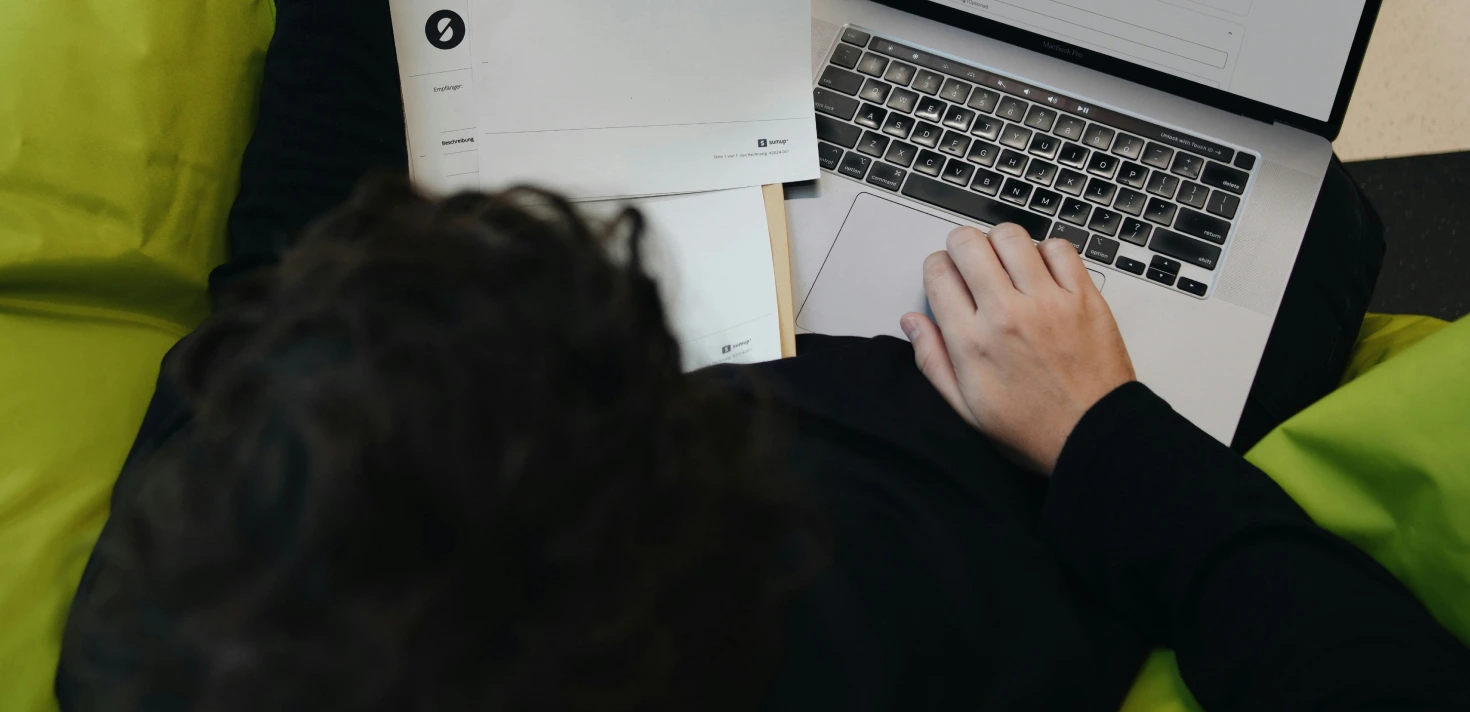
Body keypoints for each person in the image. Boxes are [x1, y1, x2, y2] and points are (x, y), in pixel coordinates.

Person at [56, 1, 1470, 710]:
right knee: (1313, 221)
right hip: (1026, 397)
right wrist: (1101, 433)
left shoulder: (208, 591)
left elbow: (282, 268)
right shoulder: (900, 609)